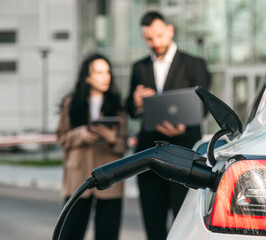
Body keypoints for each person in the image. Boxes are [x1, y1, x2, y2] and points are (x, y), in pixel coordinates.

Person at [126, 11, 211, 240]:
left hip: (185, 156)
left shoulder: (194, 64)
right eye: (149, 39)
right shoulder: (139, 68)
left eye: (159, 36)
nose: (155, 43)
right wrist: (135, 102)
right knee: (153, 223)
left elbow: (204, 107)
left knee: (184, 224)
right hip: (148, 156)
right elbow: (131, 110)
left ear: (170, 30)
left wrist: (183, 127)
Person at [56, 53, 127, 240]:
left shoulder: (117, 105)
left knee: (108, 234)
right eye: (99, 72)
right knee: (70, 233)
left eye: (108, 72)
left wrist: (112, 139)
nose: (106, 77)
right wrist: (79, 135)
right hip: (78, 176)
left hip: (110, 175)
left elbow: (123, 145)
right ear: (87, 77)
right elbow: (61, 138)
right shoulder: (71, 104)